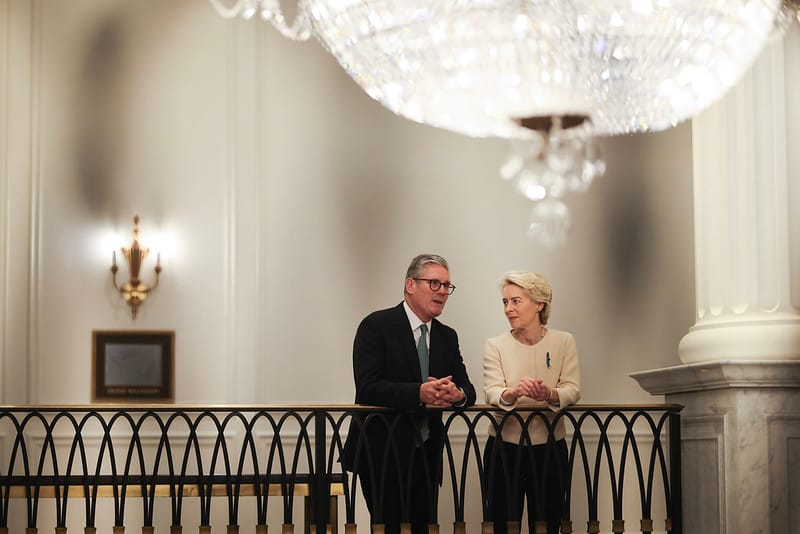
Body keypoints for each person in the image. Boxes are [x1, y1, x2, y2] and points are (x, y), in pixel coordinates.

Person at [342, 254, 477, 534]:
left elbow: (468, 389)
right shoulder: (376, 326)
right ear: (410, 285)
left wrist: (457, 395)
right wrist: (419, 393)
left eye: (447, 286)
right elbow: (367, 387)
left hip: (427, 456)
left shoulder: (447, 336)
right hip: (382, 452)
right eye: (434, 283)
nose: (442, 291)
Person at [482, 271, 581, 534]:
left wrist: (550, 394)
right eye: (505, 302)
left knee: (548, 523)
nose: (508, 309)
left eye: (515, 301)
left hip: (550, 450)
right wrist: (511, 393)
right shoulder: (495, 345)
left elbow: (573, 389)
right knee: (502, 523)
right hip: (504, 450)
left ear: (539, 304)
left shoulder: (564, 341)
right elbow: (491, 391)